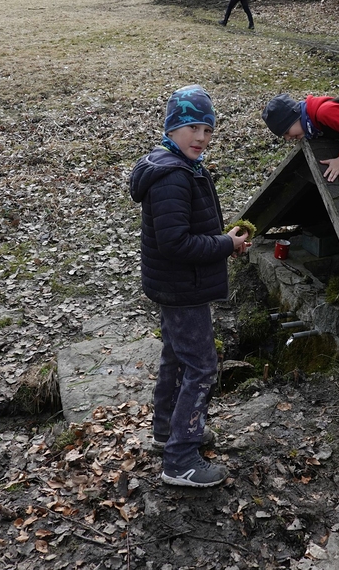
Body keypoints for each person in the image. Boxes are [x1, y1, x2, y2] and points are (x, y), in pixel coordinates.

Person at [129, 84, 251, 488]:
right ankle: (180, 459)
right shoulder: (172, 177)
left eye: (208, 130)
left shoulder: (179, 167)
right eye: (193, 127)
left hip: (177, 284)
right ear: (173, 128)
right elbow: (176, 243)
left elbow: (184, 231)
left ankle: (168, 432)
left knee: (176, 357)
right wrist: (224, 245)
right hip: (183, 287)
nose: (201, 137)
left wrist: (222, 241)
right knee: (201, 366)